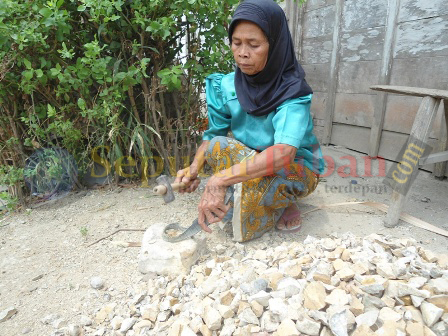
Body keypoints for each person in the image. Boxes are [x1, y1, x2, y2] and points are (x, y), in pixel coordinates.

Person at [175, 0, 324, 242]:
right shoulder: (226, 86)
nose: (243, 53)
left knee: (244, 228)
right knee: (218, 147)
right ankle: (251, 191)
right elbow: (213, 135)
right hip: (254, 160)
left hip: (294, 170)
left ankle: (283, 200)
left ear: (274, 46)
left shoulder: (293, 92)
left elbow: (284, 153)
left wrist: (220, 178)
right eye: (236, 43)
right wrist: (193, 169)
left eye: (254, 45)